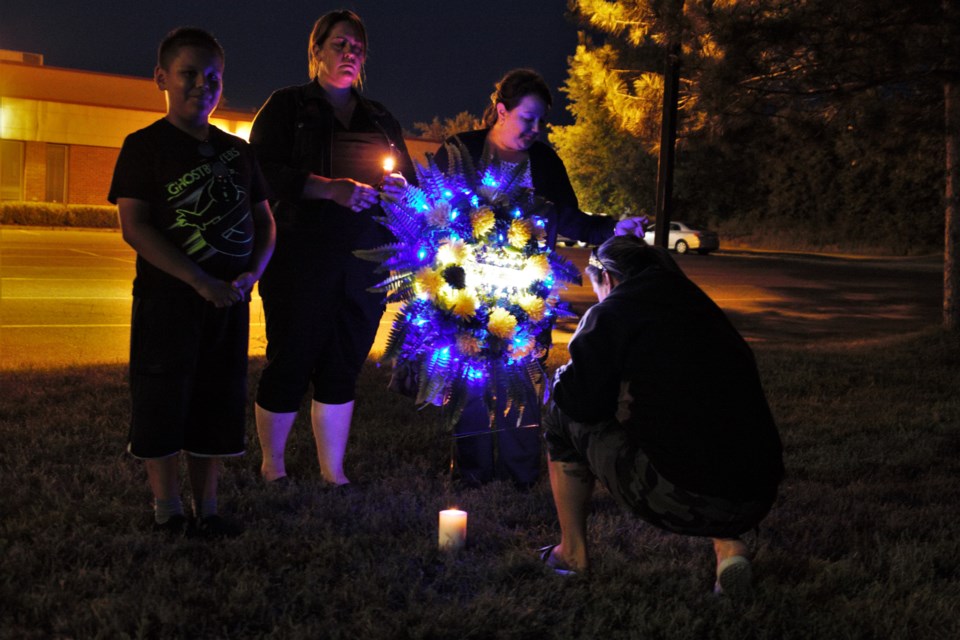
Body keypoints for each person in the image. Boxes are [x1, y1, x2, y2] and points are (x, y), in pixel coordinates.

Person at [433, 68, 644, 489]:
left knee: (521, 382)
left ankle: (521, 473)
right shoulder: (461, 151)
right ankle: (471, 472)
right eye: (527, 118)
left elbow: (569, 218)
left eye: (540, 121)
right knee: (469, 382)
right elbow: (433, 212)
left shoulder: (544, 161)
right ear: (500, 111)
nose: (535, 129)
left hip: (525, 294)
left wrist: (612, 229)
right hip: (464, 292)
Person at [541, 235, 784, 596]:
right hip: (757, 495)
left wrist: (562, 378)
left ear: (607, 278)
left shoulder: (612, 312)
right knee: (698, 425)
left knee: (560, 412)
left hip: (682, 498)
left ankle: (571, 553)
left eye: (596, 287)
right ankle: (729, 549)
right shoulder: (698, 306)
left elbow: (582, 403)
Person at [108, 27, 276, 537]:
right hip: (167, 305)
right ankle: (168, 510)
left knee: (218, 400)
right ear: (161, 77)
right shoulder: (144, 147)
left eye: (213, 78)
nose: (202, 86)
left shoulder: (238, 152)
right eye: (188, 74)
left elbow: (265, 222)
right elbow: (134, 226)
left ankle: (209, 507)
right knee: (162, 399)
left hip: (228, 304)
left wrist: (254, 273)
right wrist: (198, 279)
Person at [250, 10, 415, 487]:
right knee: (292, 356)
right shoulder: (286, 107)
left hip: (365, 263)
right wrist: (327, 188)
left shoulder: (379, 117)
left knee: (343, 362)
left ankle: (332, 470)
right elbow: (259, 171)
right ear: (316, 50)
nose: (349, 54)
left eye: (357, 48)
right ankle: (273, 466)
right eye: (339, 44)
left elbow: (411, 182)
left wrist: (402, 189)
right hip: (300, 258)